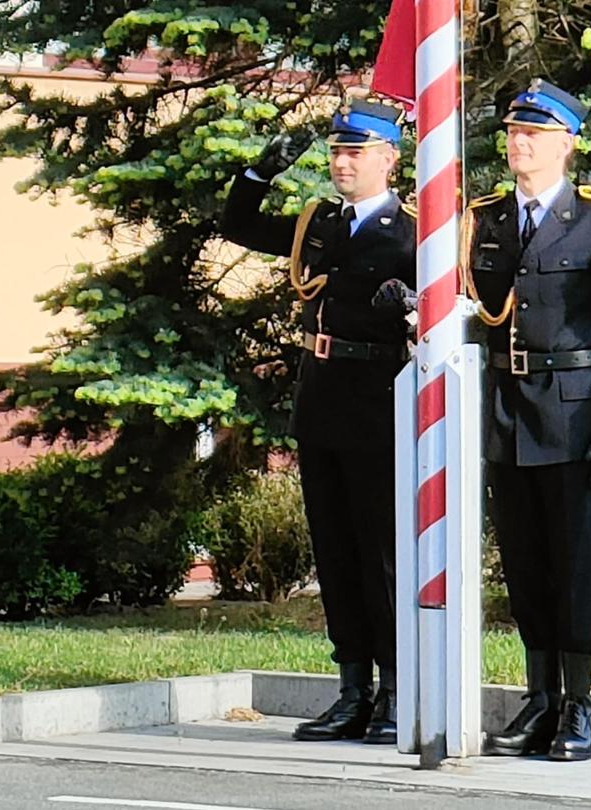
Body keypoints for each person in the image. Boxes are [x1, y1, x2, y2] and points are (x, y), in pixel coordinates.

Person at [219, 98, 418, 746]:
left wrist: (410, 306)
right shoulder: (319, 225)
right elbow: (239, 225)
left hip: (378, 403)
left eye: (355, 152)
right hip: (323, 401)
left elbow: (445, 310)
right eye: (336, 151)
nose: (341, 162)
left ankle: (395, 689)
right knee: (334, 552)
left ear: (389, 158)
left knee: (379, 554)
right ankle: (352, 688)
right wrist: (257, 176)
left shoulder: (414, 232)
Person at [465, 79, 591, 762]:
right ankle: (539, 696)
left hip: (571, 414)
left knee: (571, 566)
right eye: (515, 132)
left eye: (536, 134)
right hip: (504, 411)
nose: (520, 143)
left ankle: (577, 704)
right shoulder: (484, 219)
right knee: (522, 562)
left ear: (567, 144)